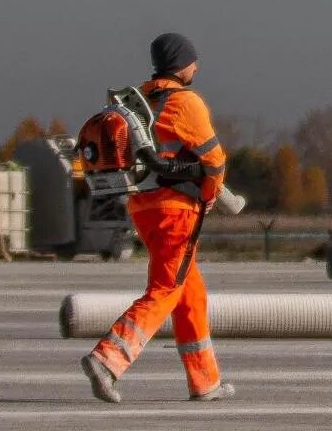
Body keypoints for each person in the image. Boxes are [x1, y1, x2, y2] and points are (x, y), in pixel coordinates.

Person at [82, 33, 243, 403]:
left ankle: (205, 381)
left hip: (144, 206)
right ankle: (108, 359)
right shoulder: (186, 102)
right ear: (182, 64)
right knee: (166, 289)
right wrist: (210, 193)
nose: (197, 68)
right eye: (193, 62)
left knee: (190, 294)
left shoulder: (139, 100)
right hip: (177, 210)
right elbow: (214, 161)